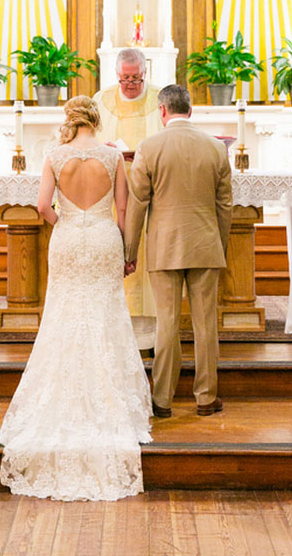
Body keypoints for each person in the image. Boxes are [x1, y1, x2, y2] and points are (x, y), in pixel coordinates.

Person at [0, 96, 152, 501]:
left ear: (70, 120)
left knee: (63, 315)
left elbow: (41, 206)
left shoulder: (53, 155)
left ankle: (57, 403)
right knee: (104, 313)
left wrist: (66, 221)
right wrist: (126, 249)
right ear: (96, 120)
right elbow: (122, 208)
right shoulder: (113, 157)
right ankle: (109, 402)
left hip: (67, 238)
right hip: (103, 238)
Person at [125, 85, 232, 417]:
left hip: (165, 246)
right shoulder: (215, 148)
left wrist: (130, 250)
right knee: (205, 324)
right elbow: (224, 205)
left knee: (167, 324)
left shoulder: (149, 147)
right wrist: (220, 244)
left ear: (162, 111)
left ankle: (162, 400)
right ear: (191, 110)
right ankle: (205, 397)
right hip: (205, 244)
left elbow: (137, 204)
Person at [93, 48, 161, 348]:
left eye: (136, 78)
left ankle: (149, 333)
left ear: (145, 73)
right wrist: (108, 149)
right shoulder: (101, 100)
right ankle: (112, 328)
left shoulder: (160, 99)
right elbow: (89, 140)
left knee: (146, 256)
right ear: (116, 75)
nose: (130, 84)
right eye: (125, 79)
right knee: (117, 250)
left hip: (152, 189)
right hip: (110, 190)